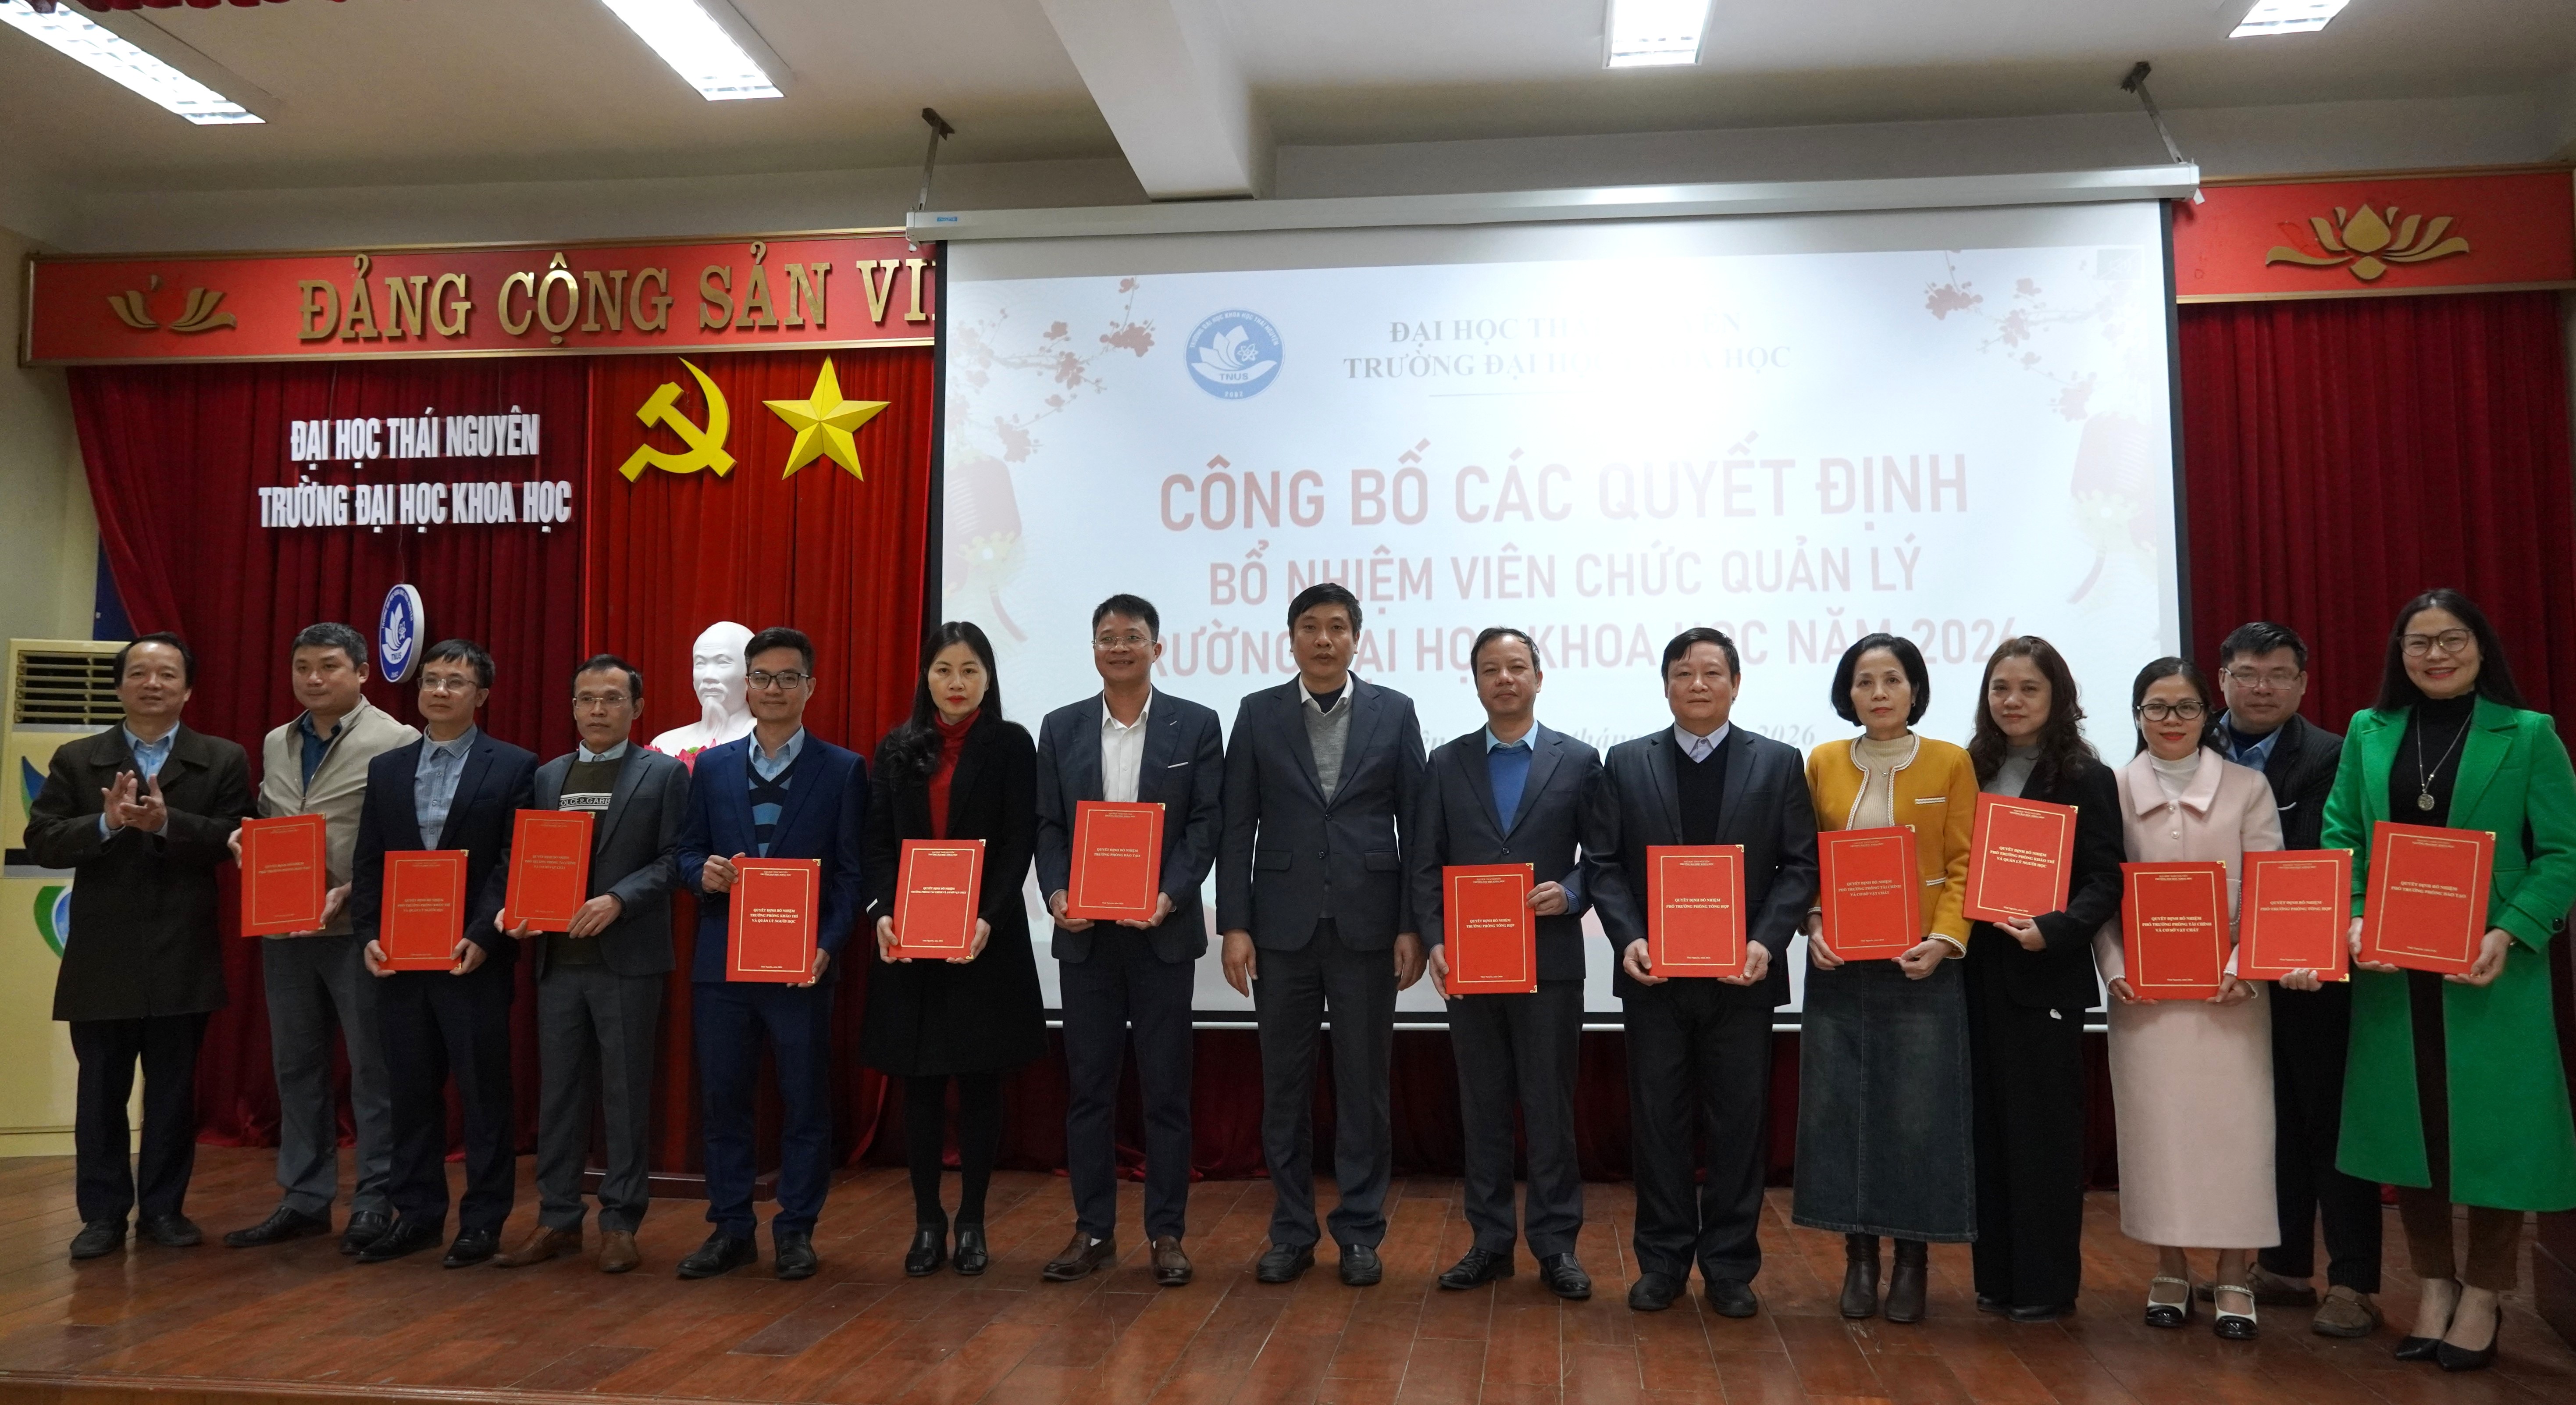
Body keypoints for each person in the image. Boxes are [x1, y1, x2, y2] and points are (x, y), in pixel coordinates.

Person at [2322, 588, 2576, 1373]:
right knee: (2414, 1132)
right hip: (2393, 969)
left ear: (2479, 646)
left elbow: (2561, 851)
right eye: (2418, 641)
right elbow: (2341, 835)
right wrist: (2355, 919)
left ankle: (2486, 1292)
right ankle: (2434, 1284)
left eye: (2451, 638)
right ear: (2399, 653)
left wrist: (2512, 929)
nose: (2435, 654)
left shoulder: (2528, 733)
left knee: (2497, 1137)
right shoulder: (2368, 731)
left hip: (2489, 969)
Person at [1589, 627, 1818, 1318]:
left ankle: (1728, 1267)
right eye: (1682, 672)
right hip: (1653, 979)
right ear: (1664, 685)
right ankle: (1661, 1263)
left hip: (1742, 978)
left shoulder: (1777, 763)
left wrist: (1766, 942)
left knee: (1738, 1127)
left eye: (1712, 672)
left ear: (1735, 684)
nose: (1697, 684)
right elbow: (1602, 863)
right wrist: (1628, 937)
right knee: (1656, 1124)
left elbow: (1799, 865)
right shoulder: (1625, 762)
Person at [1218, 581, 1428, 1287]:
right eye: (1309, 627)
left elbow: (1416, 826)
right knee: (1284, 1088)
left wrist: (1411, 924)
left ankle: (1360, 1233)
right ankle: (1291, 1231)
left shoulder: (1394, 712)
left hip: (1369, 927)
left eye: (1337, 627)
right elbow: (1235, 826)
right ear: (1291, 639)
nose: (1323, 639)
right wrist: (1235, 924)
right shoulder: (1258, 713)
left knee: (1363, 1087)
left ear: (1355, 639)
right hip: (1281, 929)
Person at [25, 633, 251, 1261]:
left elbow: (238, 837)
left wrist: (167, 824)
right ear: (120, 686)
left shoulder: (222, 758)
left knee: (174, 1092)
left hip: (184, 949)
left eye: (168, 674)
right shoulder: (79, 759)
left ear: (188, 689)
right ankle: (101, 1216)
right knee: (100, 1092)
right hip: (102, 954)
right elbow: (42, 840)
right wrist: (107, 823)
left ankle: (163, 1211)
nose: (153, 684)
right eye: (140, 673)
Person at [1031, 596, 1223, 1287]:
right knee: (1089, 1090)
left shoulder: (1194, 725)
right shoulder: (1061, 727)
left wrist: (1168, 895)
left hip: (1160, 934)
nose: (1119, 647)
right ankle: (1093, 1229)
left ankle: (1166, 1233)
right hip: (1086, 938)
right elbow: (1048, 825)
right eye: (1107, 638)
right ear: (1092, 649)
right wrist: (1057, 893)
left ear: (1156, 648)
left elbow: (1205, 823)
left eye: (1132, 637)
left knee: (1166, 1090)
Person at [1408, 627, 1603, 1301]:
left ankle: (1556, 1246)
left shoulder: (1578, 760)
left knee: (1549, 1110)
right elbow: (1425, 862)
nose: (1504, 678)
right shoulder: (1446, 762)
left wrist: (1570, 894)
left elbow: (1600, 859)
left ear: (1538, 678)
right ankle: (1489, 1242)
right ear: (1475, 683)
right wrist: (1434, 937)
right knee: (1482, 1108)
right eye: (1490, 669)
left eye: (1516, 667)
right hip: (1470, 965)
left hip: (1549, 965)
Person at [2095, 658, 2282, 1339]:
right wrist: (2113, 967)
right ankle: (2168, 1267)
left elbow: (2268, 887)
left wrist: (2243, 964)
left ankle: (2233, 1272)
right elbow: (2098, 894)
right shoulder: (2112, 788)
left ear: (2208, 714)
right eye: (2155, 707)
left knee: (2238, 1135)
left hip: (2231, 997)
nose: (2169, 721)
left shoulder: (2247, 787)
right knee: (2158, 1135)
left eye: (2184, 707)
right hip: (2143, 1001)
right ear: (2136, 715)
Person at [1793, 633, 1977, 1324]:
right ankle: (1859, 1258)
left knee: (1916, 1118)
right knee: (1840, 1114)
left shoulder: (1949, 761)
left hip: (1919, 967)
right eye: (1863, 681)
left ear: (1914, 690)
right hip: (1839, 967)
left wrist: (1944, 940)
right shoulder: (1821, 762)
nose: (1877, 693)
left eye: (1892, 679)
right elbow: (1806, 859)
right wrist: (1813, 921)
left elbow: (1963, 863)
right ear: (1846, 693)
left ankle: (1911, 1261)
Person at [675, 626, 866, 1282]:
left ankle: (795, 1230)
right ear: (746, 686)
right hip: (721, 965)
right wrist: (700, 872)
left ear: (810, 687)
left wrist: (827, 946)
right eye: (761, 677)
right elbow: (686, 851)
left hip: (800, 967)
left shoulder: (842, 770)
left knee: (804, 1101)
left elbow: (850, 876)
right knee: (724, 1101)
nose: (773, 689)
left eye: (788, 678)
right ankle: (731, 1228)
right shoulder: (713, 767)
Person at [223, 623, 417, 1256]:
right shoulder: (277, 740)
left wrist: (359, 892)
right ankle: (304, 1199)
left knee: (372, 1069)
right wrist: (246, 843)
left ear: (361, 672)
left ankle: (375, 1200)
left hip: (359, 931)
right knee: (296, 1065)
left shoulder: (397, 739)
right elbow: (272, 817)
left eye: (329, 666)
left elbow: (411, 839)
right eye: (302, 666)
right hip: (285, 929)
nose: (313, 678)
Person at [492, 655, 688, 1275]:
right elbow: (527, 859)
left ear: (637, 707)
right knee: (559, 1096)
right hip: (558, 960)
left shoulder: (663, 773)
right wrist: (517, 909)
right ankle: (557, 1219)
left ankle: (621, 1222)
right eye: (586, 699)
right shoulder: (548, 776)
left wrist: (618, 900)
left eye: (611, 698)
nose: (597, 710)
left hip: (627, 959)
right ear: (573, 707)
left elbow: (675, 859)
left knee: (625, 1095)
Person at [348, 639, 538, 1268]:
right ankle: (417, 1215)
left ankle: (483, 1222)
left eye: (455, 682)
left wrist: (484, 934)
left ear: (481, 694)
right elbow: (370, 861)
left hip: (472, 958)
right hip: (400, 960)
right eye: (431, 679)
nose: (439, 691)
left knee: (484, 1098)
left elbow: (512, 860)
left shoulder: (514, 766)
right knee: (410, 1095)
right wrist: (369, 933)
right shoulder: (388, 769)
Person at [863, 621, 1045, 1278]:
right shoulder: (897, 747)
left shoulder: (1011, 745)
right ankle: (925, 1222)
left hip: (983, 942)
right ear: (926, 677)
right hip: (911, 943)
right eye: (944, 670)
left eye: (969, 670)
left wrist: (988, 917)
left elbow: (1018, 842)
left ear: (988, 679)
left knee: (978, 1084)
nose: (956, 683)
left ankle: (970, 1220)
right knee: (919, 1086)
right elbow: (877, 843)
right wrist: (884, 912)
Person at [2213, 622, 2377, 1337]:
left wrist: (2309, 945)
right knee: (2265, 1117)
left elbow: (2323, 857)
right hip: (2217, 973)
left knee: (2328, 1121)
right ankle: (2282, 1267)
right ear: (2222, 679)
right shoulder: (2186, 742)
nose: (2262, 687)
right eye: (2247, 673)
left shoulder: (2332, 754)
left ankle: (2353, 1279)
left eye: (2278, 674)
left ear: (2302, 683)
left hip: (2308, 969)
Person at [1961, 635, 2124, 1322]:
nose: (2012, 701)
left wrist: (2052, 930)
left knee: (2043, 1137)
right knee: (1987, 1134)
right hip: (1972, 976)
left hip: (2043, 978)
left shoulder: (2084, 775)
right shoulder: (1968, 768)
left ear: (2056, 696)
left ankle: (2046, 1284)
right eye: (2000, 688)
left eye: (2028, 688)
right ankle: (1996, 1277)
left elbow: (2104, 879)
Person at [648, 620, 756, 766]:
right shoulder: (665, 744)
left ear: (750, 674)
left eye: (723, 662)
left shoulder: (767, 741)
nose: (708, 676)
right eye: (700, 663)